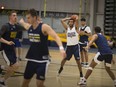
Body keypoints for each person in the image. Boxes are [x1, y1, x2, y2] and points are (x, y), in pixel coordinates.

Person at [19, 9, 66, 87]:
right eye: (27, 18)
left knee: (39, 84)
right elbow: (23, 23)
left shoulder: (44, 27)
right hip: (31, 59)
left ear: (34, 17)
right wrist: (21, 22)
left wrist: (61, 48)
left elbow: (56, 37)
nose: (27, 20)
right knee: (24, 83)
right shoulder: (29, 26)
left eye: (29, 18)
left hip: (42, 60)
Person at [0, 10, 25, 87]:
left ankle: (2, 78)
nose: (15, 17)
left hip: (12, 49)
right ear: (10, 17)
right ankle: (2, 81)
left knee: (16, 66)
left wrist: (23, 23)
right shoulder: (5, 26)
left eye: (16, 15)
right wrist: (7, 42)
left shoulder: (16, 26)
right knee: (13, 66)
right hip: (5, 49)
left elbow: (26, 28)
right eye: (14, 15)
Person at [57, 15, 83, 80]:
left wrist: (76, 18)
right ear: (69, 23)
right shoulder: (67, 28)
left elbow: (77, 20)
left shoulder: (76, 28)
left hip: (75, 47)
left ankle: (81, 73)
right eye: (70, 22)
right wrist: (69, 18)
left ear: (73, 23)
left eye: (72, 22)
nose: (71, 23)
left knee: (78, 61)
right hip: (69, 47)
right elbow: (61, 21)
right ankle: (61, 67)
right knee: (64, 59)